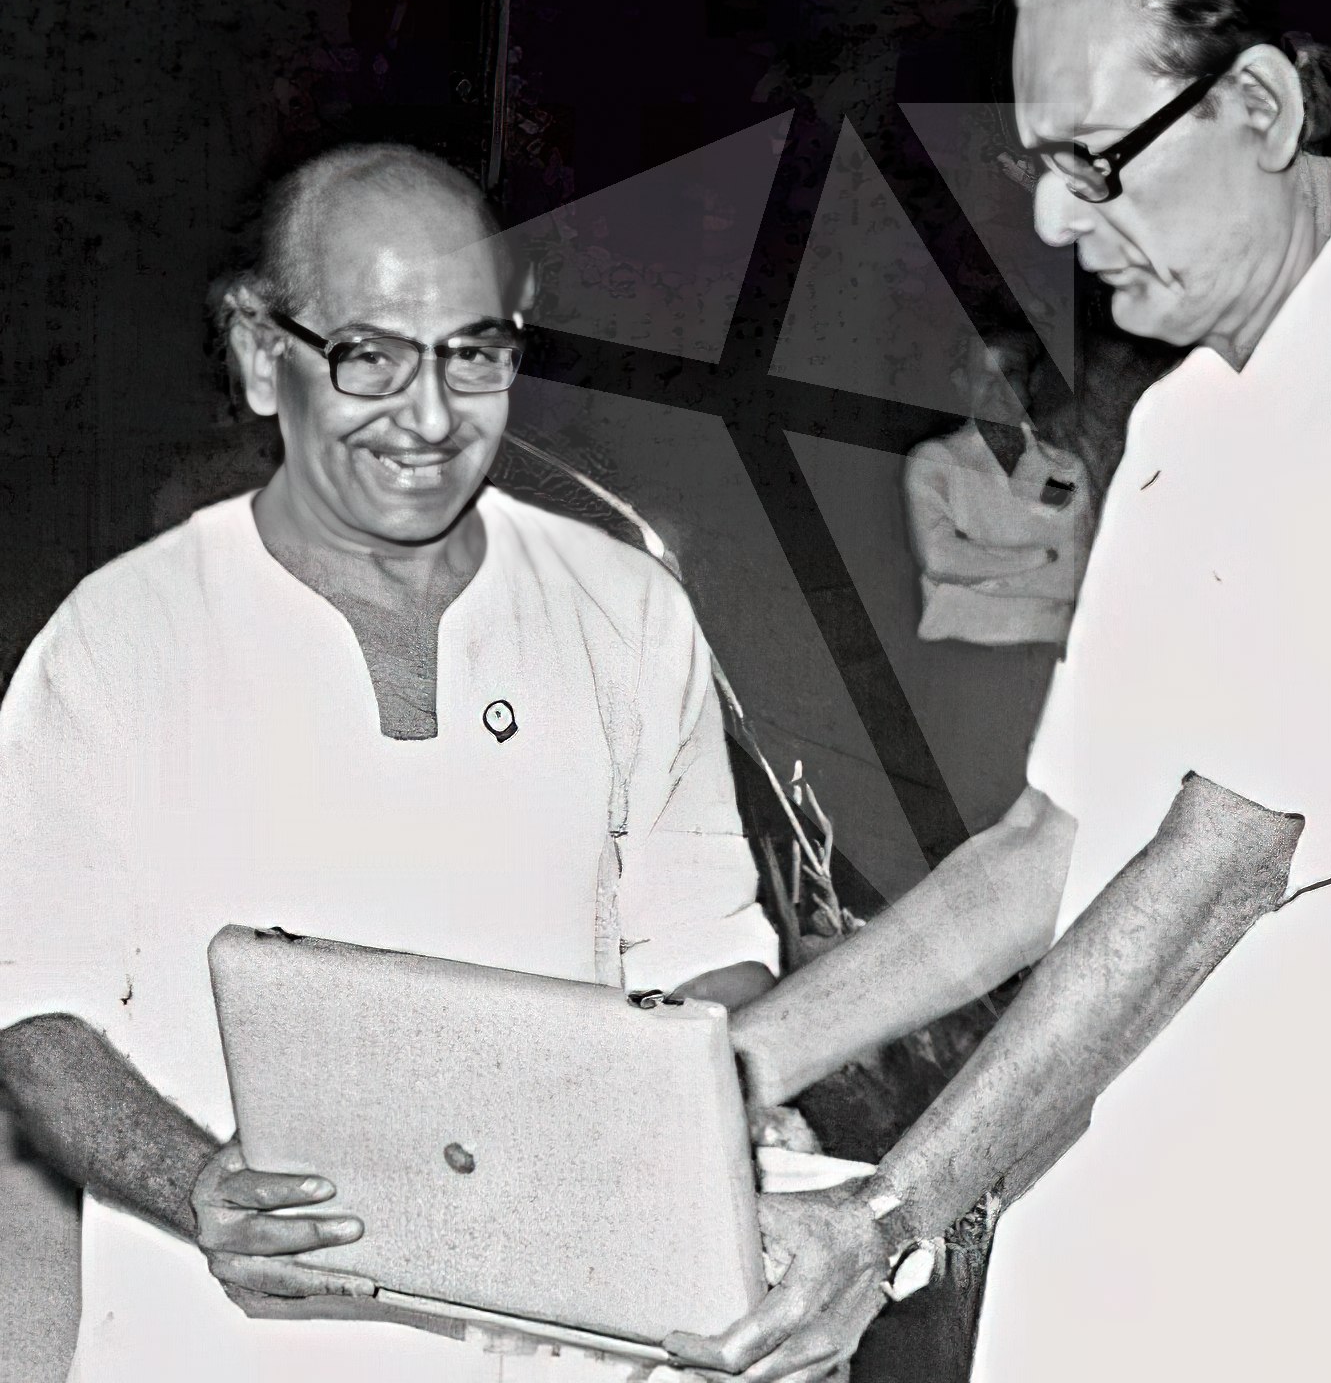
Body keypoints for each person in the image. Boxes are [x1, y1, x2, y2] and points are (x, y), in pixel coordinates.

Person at [665, 0, 1331, 1382]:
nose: (1049, 221)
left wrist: (883, 1218)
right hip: (1124, 1249)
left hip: (1323, 1269)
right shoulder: (1186, 425)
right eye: (1038, 165)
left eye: (1093, 160)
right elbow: (1045, 848)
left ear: (1262, 106)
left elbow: (1221, 861)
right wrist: (712, 1073)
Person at [0, 143, 778, 1382]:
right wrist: (195, 1184)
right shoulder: (117, 637)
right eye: (368, 355)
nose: (429, 418)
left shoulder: (625, 608)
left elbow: (703, 948)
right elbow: (40, 1012)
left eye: (474, 353)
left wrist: (714, 1112)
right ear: (262, 352)